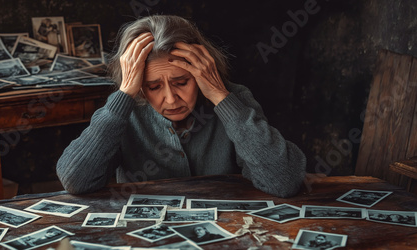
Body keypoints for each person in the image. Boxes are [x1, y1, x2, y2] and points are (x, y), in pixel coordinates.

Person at [56, 15, 306, 198]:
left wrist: (220, 96)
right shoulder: (125, 110)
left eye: (181, 82)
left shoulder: (234, 99)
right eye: (154, 87)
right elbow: (75, 180)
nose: (172, 99)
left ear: (201, 71)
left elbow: (284, 181)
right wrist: (124, 96)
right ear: (139, 86)